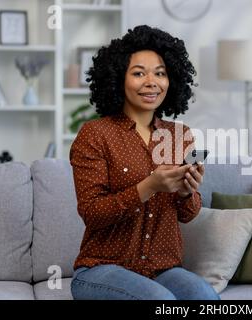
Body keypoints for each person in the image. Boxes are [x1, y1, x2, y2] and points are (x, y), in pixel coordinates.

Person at [69, 25, 220, 300]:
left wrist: (187, 192)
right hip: (100, 269)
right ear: (119, 79)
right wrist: (148, 186)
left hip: (162, 270)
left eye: (160, 73)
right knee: (160, 301)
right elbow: (92, 212)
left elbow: (188, 214)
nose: (152, 81)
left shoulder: (179, 135)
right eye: (139, 73)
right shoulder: (95, 134)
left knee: (206, 299)